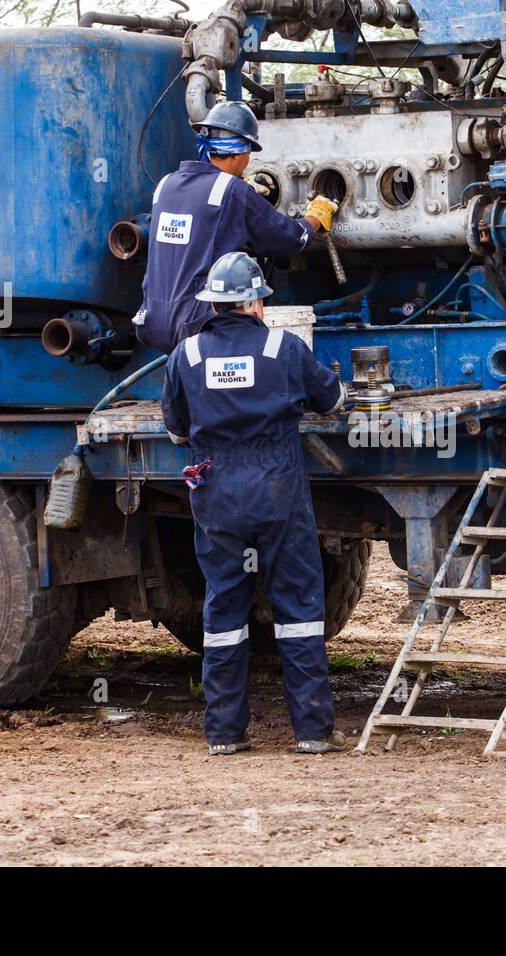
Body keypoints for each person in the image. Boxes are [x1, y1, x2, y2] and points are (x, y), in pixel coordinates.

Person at [161, 250, 350, 755]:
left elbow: (176, 431)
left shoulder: (188, 355)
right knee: (298, 608)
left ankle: (224, 734)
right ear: (255, 302)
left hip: (217, 496)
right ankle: (311, 732)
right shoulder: (282, 348)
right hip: (277, 493)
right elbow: (332, 400)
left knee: (224, 608)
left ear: (216, 304)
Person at [137, 99, 338, 353]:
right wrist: (316, 217)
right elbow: (290, 239)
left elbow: (199, 222)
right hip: (199, 321)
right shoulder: (233, 192)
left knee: (188, 385)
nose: (248, 160)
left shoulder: (166, 184)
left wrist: (243, 189)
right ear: (239, 151)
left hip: (153, 319)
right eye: (249, 151)